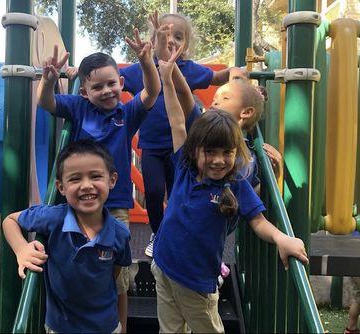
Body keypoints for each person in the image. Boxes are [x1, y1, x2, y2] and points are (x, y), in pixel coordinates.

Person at [150, 47, 309, 333]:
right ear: (196, 150)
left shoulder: (235, 183)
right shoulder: (185, 168)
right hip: (163, 266)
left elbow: (257, 221)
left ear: (236, 151)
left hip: (196, 281)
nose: (219, 160)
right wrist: (166, 78)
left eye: (227, 152)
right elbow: (176, 119)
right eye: (209, 151)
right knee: (170, 330)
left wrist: (282, 239)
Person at [37, 30, 160, 333]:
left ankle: (119, 327)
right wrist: (50, 78)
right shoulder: (78, 109)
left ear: (121, 82)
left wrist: (146, 62)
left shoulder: (126, 113)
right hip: (79, 206)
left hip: (115, 205)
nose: (106, 91)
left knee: (118, 276)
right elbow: (46, 102)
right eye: (97, 87)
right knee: (80, 267)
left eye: (111, 83)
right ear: (85, 92)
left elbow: (151, 92)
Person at [120, 11, 247, 257]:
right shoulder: (142, 69)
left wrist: (238, 74)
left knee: (179, 191)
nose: (171, 40)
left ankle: (181, 233)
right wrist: (77, 73)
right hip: (152, 147)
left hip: (182, 148)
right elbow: (111, 78)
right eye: (165, 34)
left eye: (178, 36)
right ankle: (158, 234)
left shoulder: (189, 70)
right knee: (155, 192)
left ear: (186, 44)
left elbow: (220, 77)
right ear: (154, 37)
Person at [2, 140, 131, 333]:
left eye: (95, 176)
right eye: (75, 179)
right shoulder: (53, 218)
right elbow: (10, 221)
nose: (86, 185)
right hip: (60, 327)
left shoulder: (120, 234)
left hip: (105, 326)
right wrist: (22, 249)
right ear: (61, 187)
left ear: (111, 180)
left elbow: (114, 273)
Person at [211, 78, 282, 192]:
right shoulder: (204, 137)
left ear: (246, 112)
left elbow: (253, 196)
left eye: (225, 98)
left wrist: (274, 175)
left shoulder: (249, 156)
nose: (214, 102)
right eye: (214, 98)